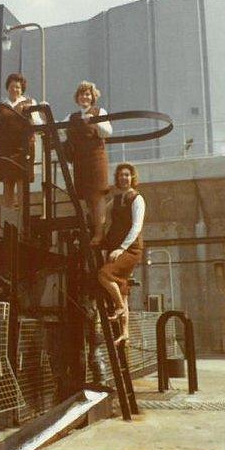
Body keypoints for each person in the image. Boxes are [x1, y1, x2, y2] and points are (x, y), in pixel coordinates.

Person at [97, 163, 145, 344]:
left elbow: (137, 227)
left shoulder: (137, 199)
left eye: (127, 175)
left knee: (104, 274)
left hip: (129, 249)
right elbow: (103, 213)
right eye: (120, 175)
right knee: (122, 288)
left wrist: (122, 248)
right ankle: (125, 332)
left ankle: (118, 308)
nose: (123, 178)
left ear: (132, 177)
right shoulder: (116, 199)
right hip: (115, 247)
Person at [64, 81, 112, 244]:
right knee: (87, 198)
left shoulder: (99, 111)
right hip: (80, 160)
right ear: (77, 98)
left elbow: (108, 132)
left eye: (87, 94)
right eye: (81, 94)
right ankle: (93, 231)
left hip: (96, 158)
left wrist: (95, 121)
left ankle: (99, 233)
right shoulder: (72, 117)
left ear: (92, 97)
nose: (84, 97)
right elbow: (60, 130)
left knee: (97, 196)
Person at [0, 73, 43, 208]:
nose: (15, 89)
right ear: (8, 87)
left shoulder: (30, 102)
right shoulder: (0, 106)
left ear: (22, 89)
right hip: (5, 148)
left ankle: (22, 221)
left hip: (24, 147)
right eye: (12, 86)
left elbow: (37, 123)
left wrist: (38, 112)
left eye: (18, 87)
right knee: (7, 182)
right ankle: (8, 218)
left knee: (21, 181)